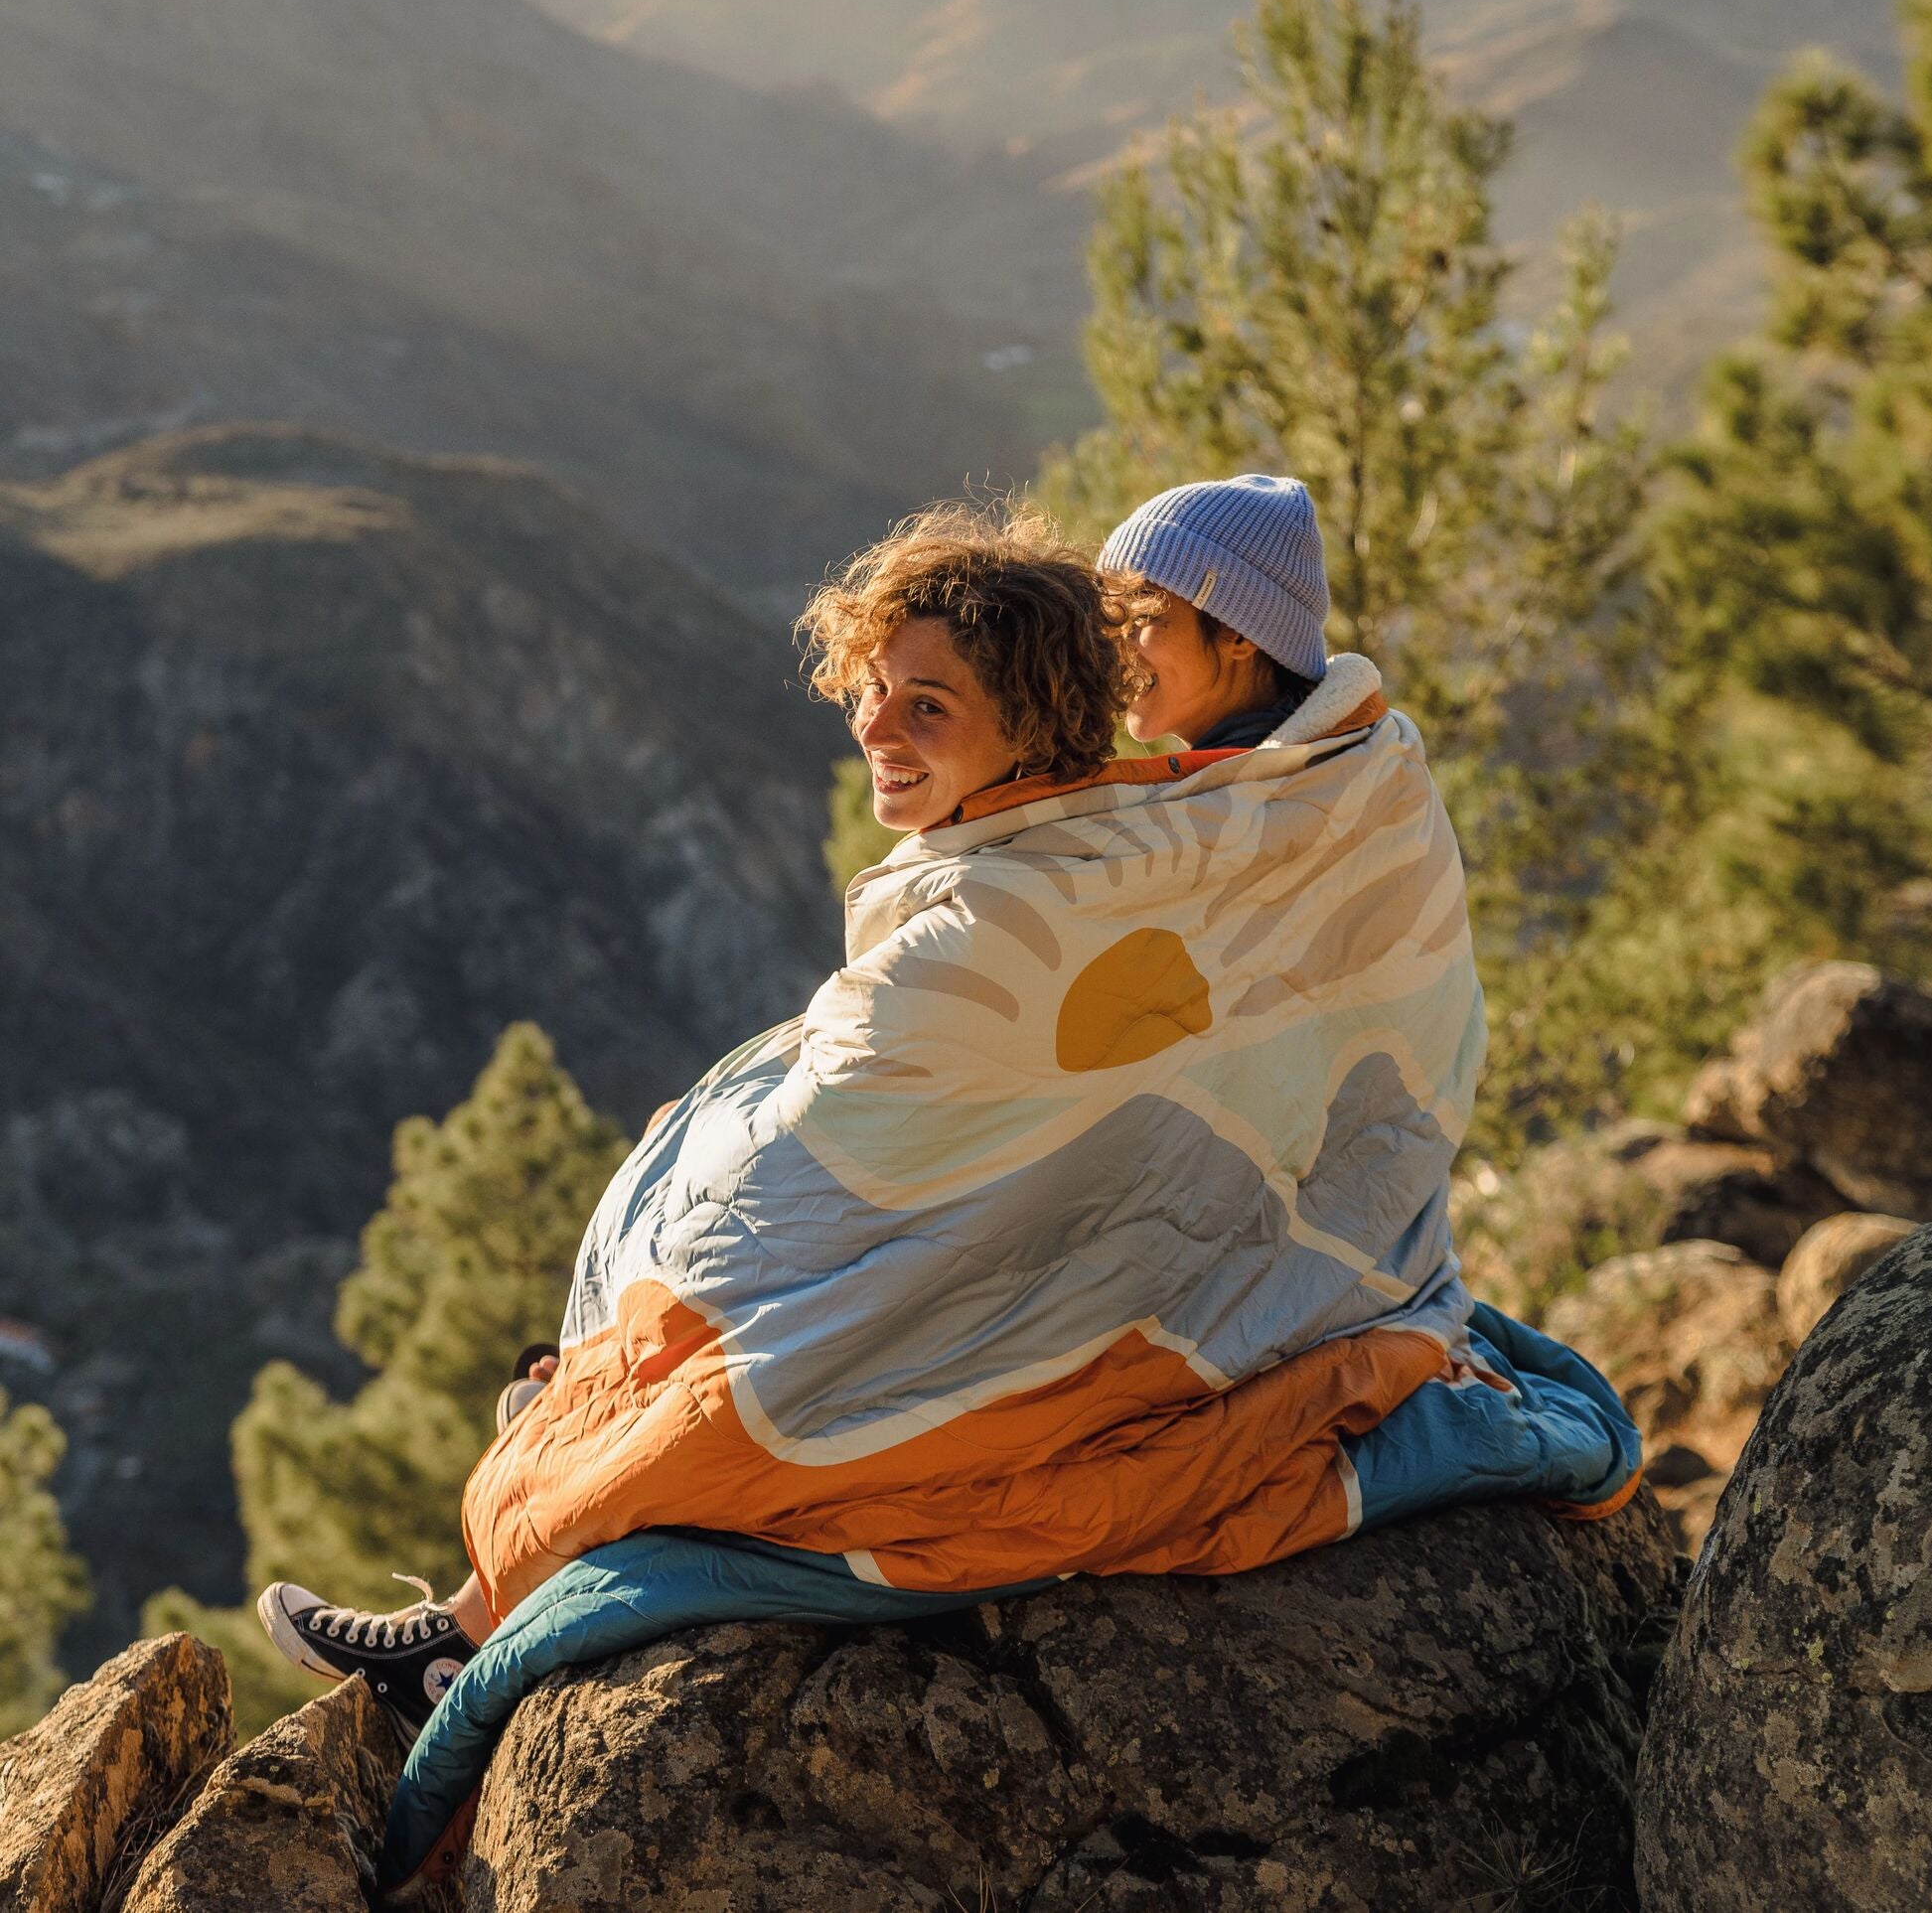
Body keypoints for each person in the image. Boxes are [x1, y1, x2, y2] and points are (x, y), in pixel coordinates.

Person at [255, 501, 1136, 1733]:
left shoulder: (978, 926)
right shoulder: (1085, 854)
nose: (875, 726)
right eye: (869, 689)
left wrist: (649, 1297)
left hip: (988, 1325)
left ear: (1031, 719)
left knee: (671, 1369)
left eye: (925, 704)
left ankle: (455, 1644)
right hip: (1017, 1268)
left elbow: (794, 1184)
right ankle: (485, 1588)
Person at [1101, 472, 1332, 752]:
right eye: (1113, 618)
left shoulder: (1294, 790)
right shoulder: (1349, 765)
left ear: (1239, 632)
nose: (1114, 645)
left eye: (1142, 615)